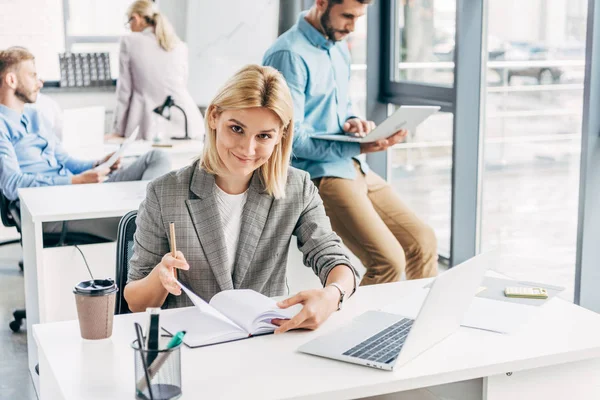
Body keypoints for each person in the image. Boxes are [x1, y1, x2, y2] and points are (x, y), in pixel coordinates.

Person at [124, 65, 358, 333]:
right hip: (190, 345)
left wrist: (333, 294)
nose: (247, 149)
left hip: (264, 341)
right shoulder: (164, 193)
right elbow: (136, 303)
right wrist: (159, 277)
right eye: (236, 129)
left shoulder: (297, 187)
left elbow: (334, 258)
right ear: (214, 117)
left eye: (264, 136)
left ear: (281, 135)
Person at [263, 0, 438, 286]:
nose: (353, 26)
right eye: (347, 16)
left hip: (353, 165)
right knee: (388, 261)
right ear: (320, 3)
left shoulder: (338, 46)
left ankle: (416, 324)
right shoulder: (288, 54)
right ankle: (366, 330)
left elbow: (341, 105)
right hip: (320, 175)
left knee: (423, 241)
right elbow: (289, 139)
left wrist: (353, 121)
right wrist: (360, 146)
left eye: (358, 17)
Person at [0, 46, 171, 240]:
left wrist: (97, 165)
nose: (40, 82)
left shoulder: (35, 116)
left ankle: (145, 214)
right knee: (132, 224)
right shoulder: (2, 127)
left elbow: (65, 161)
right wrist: (74, 181)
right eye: (32, 75)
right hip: (50, 207)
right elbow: (12, 185)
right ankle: (144, 219)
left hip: (79, 193)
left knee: (157, 157)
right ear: (11, 80)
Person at [112, 0, 205, 141]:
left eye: (129, 22)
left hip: (146, 125)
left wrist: (117, 131)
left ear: (136, 18)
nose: (129, 27)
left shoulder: (129, 42)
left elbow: (124, 92)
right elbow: (182, 84)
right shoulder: (179, 45)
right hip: (186, 123)